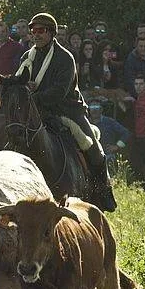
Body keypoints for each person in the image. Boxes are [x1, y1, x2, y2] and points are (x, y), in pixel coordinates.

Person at [14, 12, 117, 211]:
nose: (37, 34)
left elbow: (60, 91)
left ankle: (103, 194)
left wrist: (34, 94)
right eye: (34, 31)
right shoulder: (27, 57)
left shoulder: (65, 58)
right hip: (38, 112)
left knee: (95, 152)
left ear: (51, 33)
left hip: (69, 110)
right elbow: (20, 84)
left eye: (41, 31)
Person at [87, 102, 130, 170]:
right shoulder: (86, 123)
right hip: (90, 158)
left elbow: (126, 133)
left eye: (96, 108)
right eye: (92, 108)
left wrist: (117, 146)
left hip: (108, 157)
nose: (94, 110)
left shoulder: (109, 122)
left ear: (101, 110)